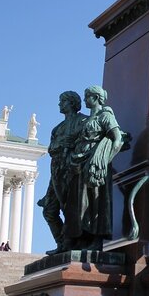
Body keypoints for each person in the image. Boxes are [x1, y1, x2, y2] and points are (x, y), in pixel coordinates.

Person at [63, 86, 131, 251]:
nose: (85, 100)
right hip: (79, 164)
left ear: (96, 98)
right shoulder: (85, 120)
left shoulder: (105, 116)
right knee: (80, 203)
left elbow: (117, 139)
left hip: (95, 166)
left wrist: (104, 159)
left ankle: (96, 239)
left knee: (96, 202)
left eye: (87, 97)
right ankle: (81, 238)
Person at [37, 91, 86, 254]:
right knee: (49, 210)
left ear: (72, 103)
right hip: (56, 171)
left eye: (62, 101)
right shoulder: (57, 128)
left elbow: (87, 142)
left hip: (72, 169)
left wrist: (72, 145)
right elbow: (51, 148)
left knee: (69, 209)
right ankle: (62, 244)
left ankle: (69, 244)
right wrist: (59, 146)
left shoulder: (83, 121)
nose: (59, 104)